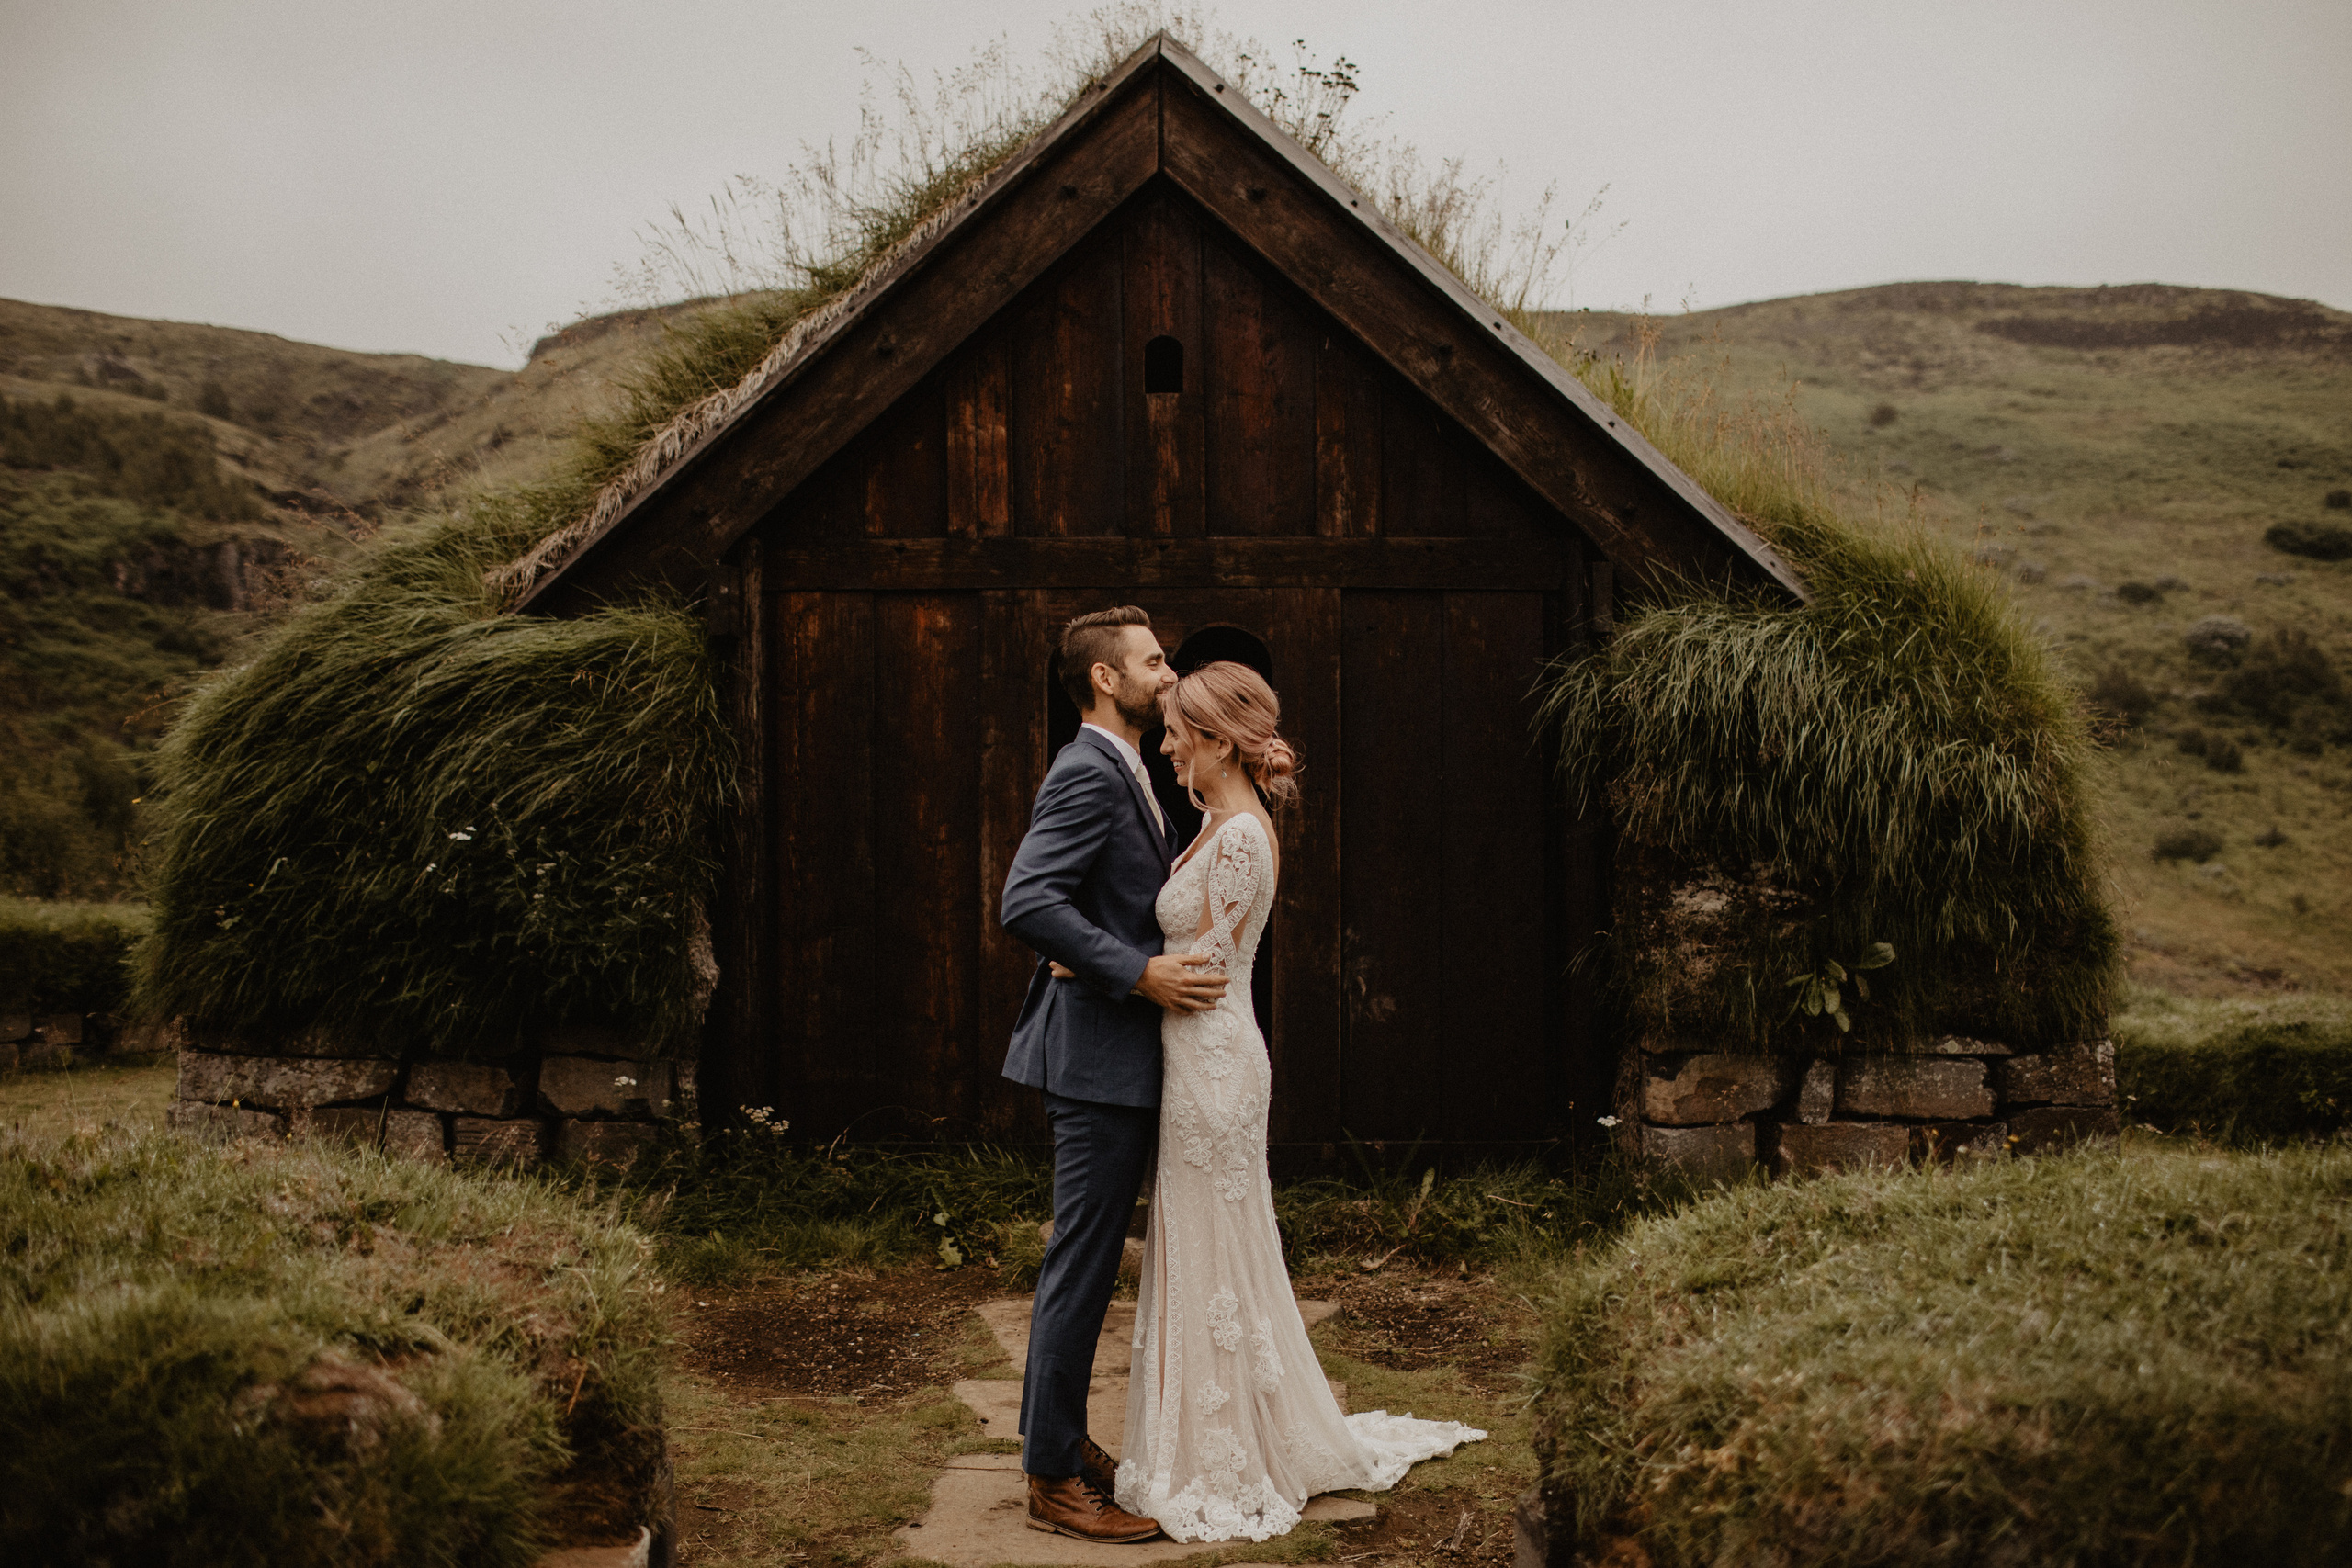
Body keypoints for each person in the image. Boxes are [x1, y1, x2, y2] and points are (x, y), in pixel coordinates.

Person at [1111, 660, 1486, 1543]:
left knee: (1216, 1245)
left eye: (1176, 734)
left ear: (1215, 738)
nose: (1166, 747)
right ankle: (1215, 1432)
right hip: (1197, 1060)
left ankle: (1226, 1454)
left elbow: (1200, 971)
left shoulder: (1240, 836)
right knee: (1205, 1243)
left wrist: (1102, 971)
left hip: (1214, 1064)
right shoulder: (1213, 823)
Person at [999, 605, 1224, 1543]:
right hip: (1093, 1060)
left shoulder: (1125, 766)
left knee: (1086, 1266)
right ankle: (1050, 1476)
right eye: (1153, 661)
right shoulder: (1087, 770)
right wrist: (1135, 970)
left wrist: (1105, 951)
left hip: (1111, 1053)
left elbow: (1096, 902)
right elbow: (1026, 899)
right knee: (1080, 1268)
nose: (1167, 675)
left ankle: (1060, 1439)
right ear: (1105, 678)